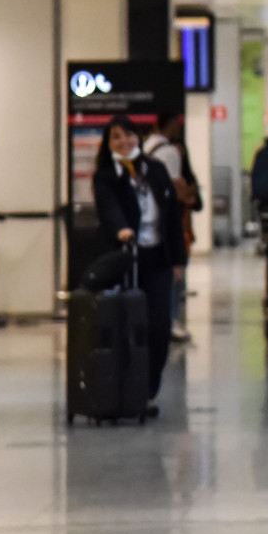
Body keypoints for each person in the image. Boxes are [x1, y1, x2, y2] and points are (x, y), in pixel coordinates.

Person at [92, 115, 188, 419]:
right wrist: (122, 229)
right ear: (109, 145)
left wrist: (178, 260)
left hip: (157, 257)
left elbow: (172, 216)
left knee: (159, 326)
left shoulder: (155, 170)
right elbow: (109, 207)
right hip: (125, 256)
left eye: (129, 136)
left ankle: (147, 392)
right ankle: (118, 390)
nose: (125, 142)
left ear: (139, 138)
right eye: (117, 138)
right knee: (123, 325)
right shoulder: (106, 176)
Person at [145, 112, 198, 343]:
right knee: (175, 273)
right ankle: (171, 320)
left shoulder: (145, 149)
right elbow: (178, 191)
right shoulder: (170, 152)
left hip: (147, 224)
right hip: (169, 221)